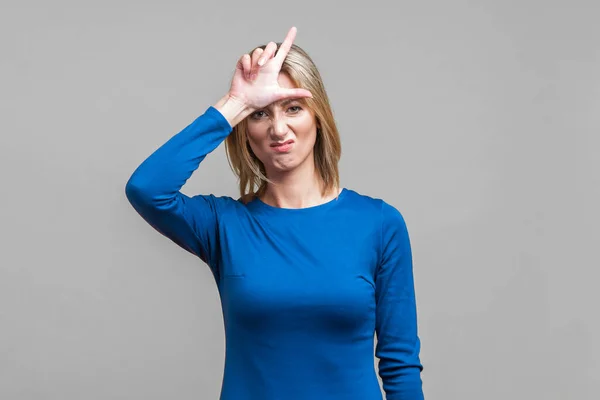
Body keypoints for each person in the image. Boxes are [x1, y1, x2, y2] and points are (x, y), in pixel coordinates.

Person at [125, 26, 424, 400]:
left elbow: (400, 365)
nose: (278, 128)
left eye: (293, 108)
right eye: (260, 114)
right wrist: (234, 103)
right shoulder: (224, 225)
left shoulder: (379, 224)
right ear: (244, 131)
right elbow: (147, 189)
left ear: (318, 116)